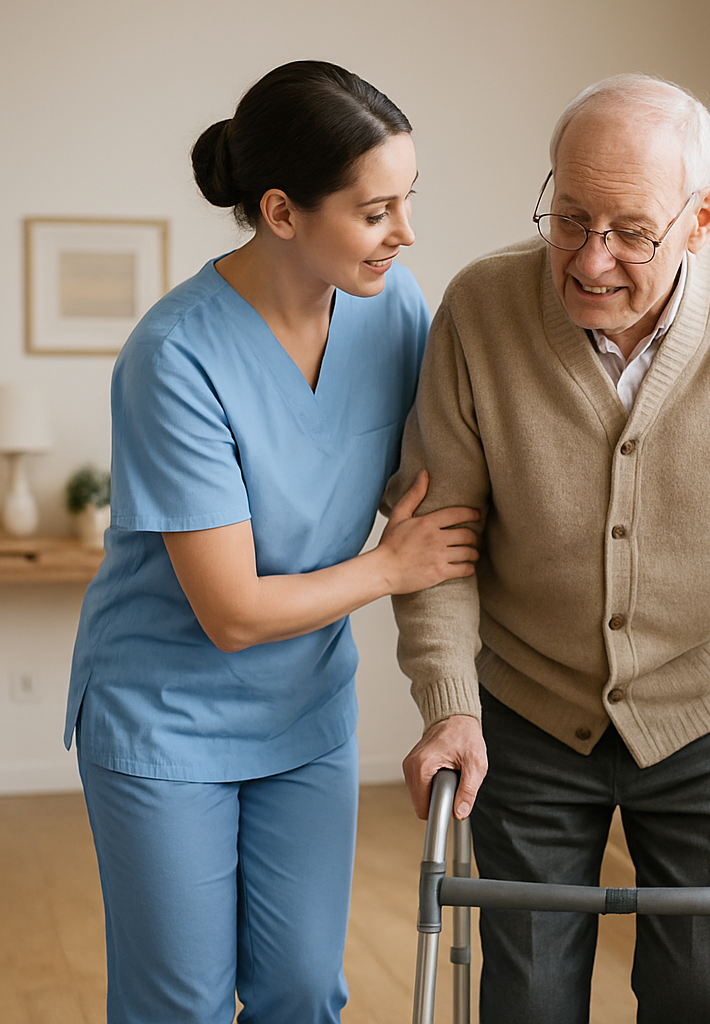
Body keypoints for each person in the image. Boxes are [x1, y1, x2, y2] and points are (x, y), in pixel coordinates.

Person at [386, 74, 710, 1024]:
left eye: (631, 231)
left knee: (697, 995)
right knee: (526, 1000)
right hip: (529, 715)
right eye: (567, 217)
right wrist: (448, 702)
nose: (589, 259)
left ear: (703, 218)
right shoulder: (481, 308)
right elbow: (436, 538)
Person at [62, 61, 478, 1024]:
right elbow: (235, 611)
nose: (405, 234)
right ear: (283, 212)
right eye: (375, 212)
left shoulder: (395, 310)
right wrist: (388, 567)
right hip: (166, 716)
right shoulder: (176, 357)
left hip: (305, 714)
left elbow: (436, 469)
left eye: (408, 201)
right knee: (184, 1007)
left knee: (301, 991)